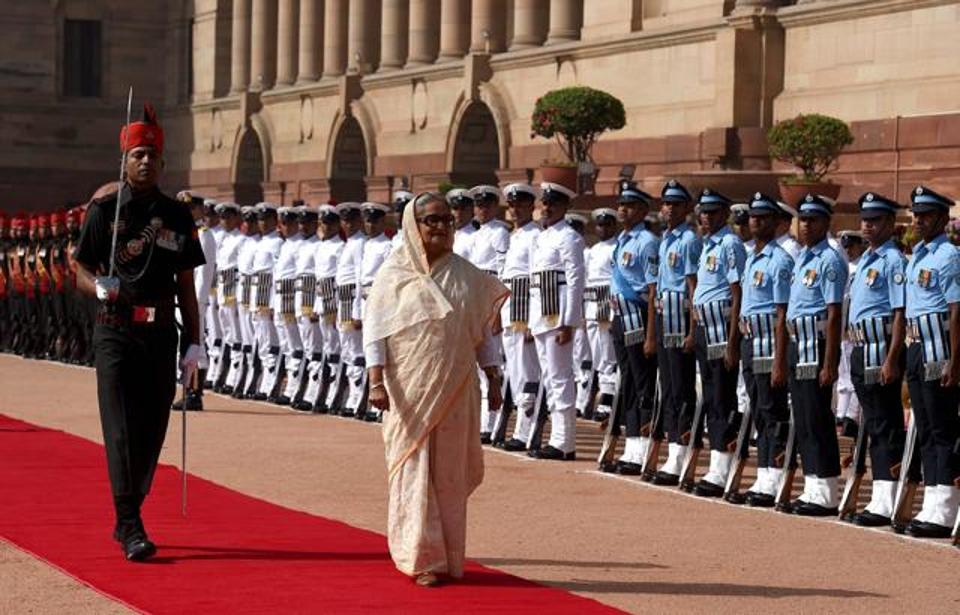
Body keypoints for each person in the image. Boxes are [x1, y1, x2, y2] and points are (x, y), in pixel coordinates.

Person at [73, 103, 204, 561]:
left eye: (152, 154)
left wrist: (195, 342)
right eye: (137, 155)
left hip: (160, 332)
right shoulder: (105, 211)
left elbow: (186, 284)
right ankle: (129, 523)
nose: (145, 161)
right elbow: (80, 268)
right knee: (120, 429)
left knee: (152, 429)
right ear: (124, 161)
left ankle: (129, 509)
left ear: (162, 162)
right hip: (114, 333)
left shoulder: (177, 217)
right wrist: (99, 288)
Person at [364, 192, 508, 586]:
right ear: (414, 224)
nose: (441, 226)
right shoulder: (394, 274)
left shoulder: (468, 275)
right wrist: (375, 381)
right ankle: (420, 559)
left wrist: (494, 376)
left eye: (446, 219)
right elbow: (375, 333)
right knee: (414, 470)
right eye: (432, 220)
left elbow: (482, 333)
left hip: (458, 386)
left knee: (448, 474)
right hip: (408, 389)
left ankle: (448, 556)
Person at [843, 192, 907, 527]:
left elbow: (900, 313)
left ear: (890, 224)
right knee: (872, 422)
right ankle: (880, 492)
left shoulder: (893, 260)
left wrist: (892, 358)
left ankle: (888, 496)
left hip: (881, 347)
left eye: (875, 220)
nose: (867, 225)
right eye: (865, 219)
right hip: (860, 348)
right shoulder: (867, 259)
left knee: (885, 423)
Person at [728, 193, 794, 507]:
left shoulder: (780, 260)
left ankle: (774, 475)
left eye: (763, 217)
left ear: (775, 222)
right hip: (750, 341)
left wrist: (781, 361)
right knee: (758, 409)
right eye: (753, 216)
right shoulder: (751, 256)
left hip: (770, 343)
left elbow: (783, 313)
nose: (755, 222)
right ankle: (765, 472)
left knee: (772, 410)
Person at [902, 185, 960, 538]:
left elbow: (956, 310)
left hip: (939, 346)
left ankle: (944, 506)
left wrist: (955, 359)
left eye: (925, 215)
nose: (919, 220)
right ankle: (932, 500)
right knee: (923, 427)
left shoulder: (949, 255)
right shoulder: (919, 254)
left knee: (941, 428)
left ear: (941, 217)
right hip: (916, 345)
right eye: (916, 214)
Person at [784, 194, 847, 516]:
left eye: (812, 220)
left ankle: (827, 491)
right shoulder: (803, 258)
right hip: (799, 344)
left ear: (826, 223)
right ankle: (812, 485)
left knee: (818, 418)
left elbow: (835, 314)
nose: (806, 225)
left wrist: (830, 363)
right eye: (803, 219)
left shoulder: (830, 259)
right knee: (804, 418)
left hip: (817, 344)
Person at [690, 188, 746, 497]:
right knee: (710, 396)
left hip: (722, 328)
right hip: (704, 325)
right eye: (703, 211)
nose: (706, 217)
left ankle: (723, 466)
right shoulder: (708, 244)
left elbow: (738, 292)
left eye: (712, 212)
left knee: (722, 397)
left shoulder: (730, 244)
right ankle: (716, 462)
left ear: (724, 213)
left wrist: (733, 341)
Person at [527, 182, 585, 461]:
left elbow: (575, 281)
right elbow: (534, 283)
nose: (547, 208)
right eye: (545, 203)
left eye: (553, 204)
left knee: (561, 376)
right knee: (550, 377)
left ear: (565, 207)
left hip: (557, 315)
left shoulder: (569, 237)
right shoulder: (542, 237)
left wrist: (568, 322)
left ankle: (565, 441)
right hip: (540, 315)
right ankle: (557, 437)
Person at [607, 182, 659, 475]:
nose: (622, 210)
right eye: (621, 204)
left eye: (629, 205)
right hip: (620, 316)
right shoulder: (623, 239)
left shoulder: (647, 242)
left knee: (642, 380)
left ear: (642, 210)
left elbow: (652, 290)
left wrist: (651, 334)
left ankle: (641, 448)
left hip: (638, 316)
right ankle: (631, 443)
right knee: (627, 379)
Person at [652, 179, 701, 485]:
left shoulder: (688, 240)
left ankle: (682, 450)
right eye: (666, 203)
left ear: (686, 209)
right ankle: (673, 449)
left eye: (675, 204)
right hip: (663, 317)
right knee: (668, 387)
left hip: (681, 317)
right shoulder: (666, 238)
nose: (669, 209)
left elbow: (694, 287)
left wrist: (693, 330)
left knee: (682, 389)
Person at [497, 183, 542, 451]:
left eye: (520, 205)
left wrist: (532, 321)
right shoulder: (513, 236)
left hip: (525, 307)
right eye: (511, 205)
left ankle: (529, 430)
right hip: (509, 307)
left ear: (530, 207)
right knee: (514, 370)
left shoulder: (535, 235)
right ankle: (520, 430)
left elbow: (535, 278)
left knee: (528, 371)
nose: (515, 210)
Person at [468, 185, 510, 441]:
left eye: (486, 205)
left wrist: (498, 312)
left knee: (494, 364)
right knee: (478, 363)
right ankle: (483, 421)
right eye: (478, 205)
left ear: (495, 207)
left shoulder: (500, 233)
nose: (481, 210)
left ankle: (493, 423)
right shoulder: (477, 234)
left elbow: (503, 275)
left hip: (491, 297)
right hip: (476, 298)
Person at [172, 193, 216, 411]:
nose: (187, 212)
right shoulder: (185, 234)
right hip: (180, 299)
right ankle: (188, 389)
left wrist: (195, 304)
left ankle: (195, 393)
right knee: (186, 345)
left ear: (200, 210)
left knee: (195, 346)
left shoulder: (204, 236)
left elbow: (204, 274)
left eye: (191, 208)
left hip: (193, 301)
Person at [304, 204, 344, 412]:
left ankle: (337, 395)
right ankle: (322, 392)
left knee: (336, 349)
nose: (325, 227)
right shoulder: (319, 246)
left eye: (329, 223)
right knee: (324, 348)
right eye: (323, 223)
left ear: (337, 225)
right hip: (319, 298)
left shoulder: (340, 247)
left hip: (332, 299)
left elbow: (338, 278)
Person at [357, 201, 394, 420]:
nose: (370, 224)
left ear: (382, 221)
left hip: (379, 300)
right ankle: (370, 400)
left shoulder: (386, 246)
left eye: (374, 220)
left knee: (381, 352)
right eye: (367, 220)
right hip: (364, 300)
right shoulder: (365, 245)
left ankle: (381, 403)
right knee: (368, 351)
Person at [584, 208, 619, 421]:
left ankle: (607, 401)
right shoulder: (593, 250)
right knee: (596, 354)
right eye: (599, 225)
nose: (602, 228)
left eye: (606, 225)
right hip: (591, 304)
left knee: (607, 354)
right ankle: (597, 396)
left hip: (606, 302)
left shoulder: (616, 248)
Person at [333, 202, 366, 415]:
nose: (347, 224)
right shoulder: (349, 243)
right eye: (344, 221)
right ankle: (351, 396)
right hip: (342, 298)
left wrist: (356, 311)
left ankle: (358, 398)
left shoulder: (360, 243)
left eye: (350, 221)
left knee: (356, 351)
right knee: (347, 350)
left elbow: (359, 278)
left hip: (352, 298)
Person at [250, 202, 284, 400]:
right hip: (256, 294)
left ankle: (271, 385)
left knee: (271, 343)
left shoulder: (277, 242)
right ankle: (264, 381)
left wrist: (271, 303)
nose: (262, 223)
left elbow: (275, 274)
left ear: (274, 221)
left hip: (267, 294)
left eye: (266, 219)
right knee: (262, 342)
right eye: (260, 219)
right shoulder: (261, 242)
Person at [291, 204, 321, 411]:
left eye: (306, 222)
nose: (302, 226)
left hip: (312, 296)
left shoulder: (317, 245)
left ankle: (314, 394)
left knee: (315, 349)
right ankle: (301, 390)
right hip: (298, 297)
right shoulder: (297, 245)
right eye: (300, 222)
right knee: (302, 347)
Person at [836, 230, 865, 438]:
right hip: (843, 325)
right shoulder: (843, 265)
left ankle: (851, 416)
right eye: (844, 247)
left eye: (850, 246)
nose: (847, 250)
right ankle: (841, 413)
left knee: (854, 370)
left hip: (857, 327)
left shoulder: (861, 266)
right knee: (842, 371)